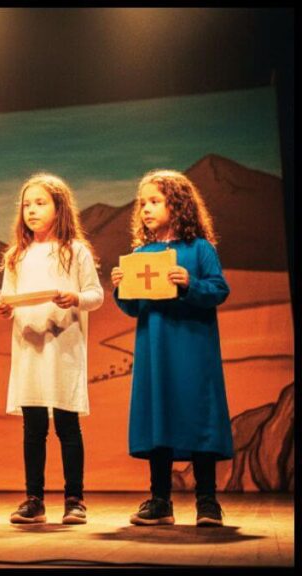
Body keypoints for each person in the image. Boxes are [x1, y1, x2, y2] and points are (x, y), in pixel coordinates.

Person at [112, 170, 233, 527]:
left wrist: (189, 283)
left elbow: (218, 289)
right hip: (154, 351)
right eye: (142, 203)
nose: (146, 209)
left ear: (178, 205)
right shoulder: (141, 254)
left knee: (198, 414)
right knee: (158, 413)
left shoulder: (199, 249)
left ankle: (207, 501)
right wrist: (121, 288)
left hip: (193, 349)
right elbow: (134, 307)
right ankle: (160, 500)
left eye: (155, 201)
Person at [0, 174, 103, 524]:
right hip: (29, 348)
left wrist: (75, 297)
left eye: (40, 203)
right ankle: (34, 499)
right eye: (27, 204)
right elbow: (7, 296)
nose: (32, 210)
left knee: (67, 425)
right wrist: (3, 307)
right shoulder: (17, 255)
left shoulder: (75, 251)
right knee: (33, 427)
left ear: (60, 208)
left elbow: (96, 295)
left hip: (63, 348)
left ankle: (75, 499)